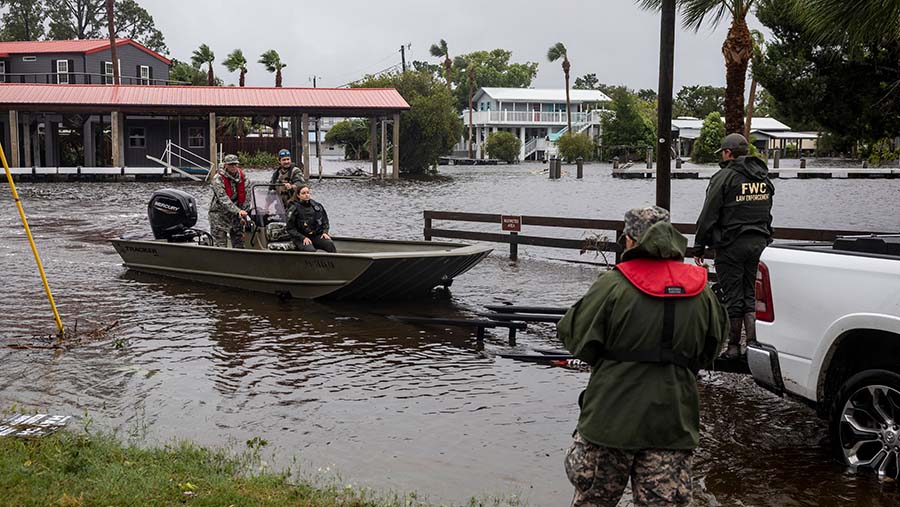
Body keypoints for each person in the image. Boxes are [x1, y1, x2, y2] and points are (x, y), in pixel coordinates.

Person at [559, 206, 728, 507]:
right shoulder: (702, 290)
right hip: (672, 422)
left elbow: (576, 338)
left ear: (629, 240)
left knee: (593, 501)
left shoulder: (612, 284)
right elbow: (711, 350)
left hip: (610, 419)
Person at [692, 133, 774, 359]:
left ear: (728, 153)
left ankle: (734, 347)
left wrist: (699, 246)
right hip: (759, 244)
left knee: (733, 296)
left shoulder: (724, 177)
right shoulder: (763, 178)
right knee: (751, 296)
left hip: (731, 245)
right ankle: (755, 347)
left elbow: (709, 213)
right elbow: (767, 212)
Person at [208, 154, 249, 248]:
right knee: (220, 245)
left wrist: (244, 213)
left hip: (236, 216)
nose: (233, 167)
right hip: (219, 215)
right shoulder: (217, 179)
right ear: (225, 165)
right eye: (231, 165)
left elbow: (247, 196)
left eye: (235, 164)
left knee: (239, 244)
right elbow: (223, 199)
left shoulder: (243, 178)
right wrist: (238, 211)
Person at [285, 184, 336, 253]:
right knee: (310, 250)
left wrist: (325, 232)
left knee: (329, 244)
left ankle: (334, 262)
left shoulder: (317, 206)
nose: (306, 195)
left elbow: (325, 221)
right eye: (303, 193)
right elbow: (290, 228)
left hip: (315, 235)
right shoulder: (294, 209)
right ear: (298, 195)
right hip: (300, 237)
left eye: (308, 192)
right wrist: (302, 238)